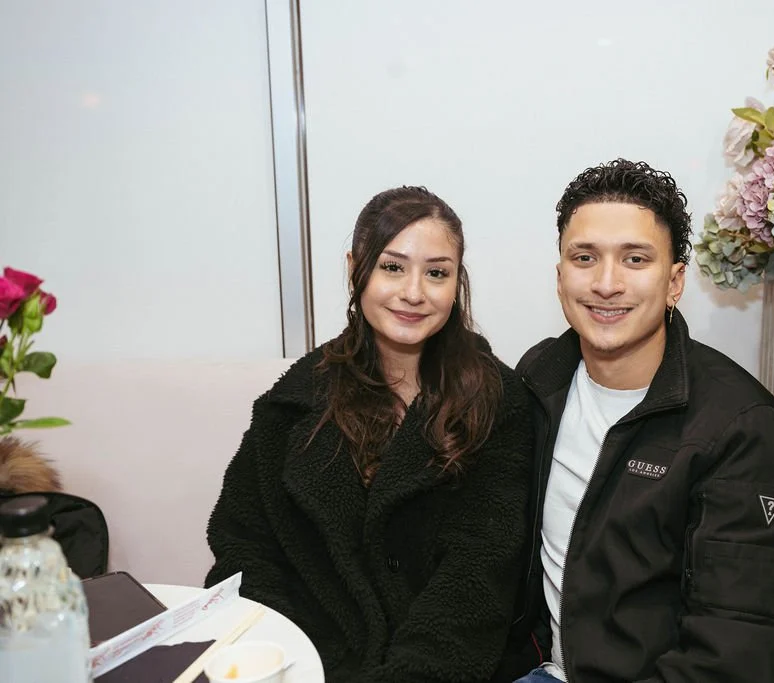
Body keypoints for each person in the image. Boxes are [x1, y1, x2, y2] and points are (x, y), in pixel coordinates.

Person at [205, 186, 533, 683]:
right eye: (392, 266)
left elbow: (478, 578)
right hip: (304, 663)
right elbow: (245, 546)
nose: (414, 292)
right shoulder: (297, 399)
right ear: (355, 268)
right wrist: (282, 657)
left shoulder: (495, 399)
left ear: (456, 283)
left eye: (437, 273)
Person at [509, 159, 774, 682]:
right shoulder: (542, 376)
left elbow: (735, 651)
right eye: (585, 258)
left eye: (634, 259)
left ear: (675, 283)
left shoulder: (742, 430)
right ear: (561, 279)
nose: (606, 284)